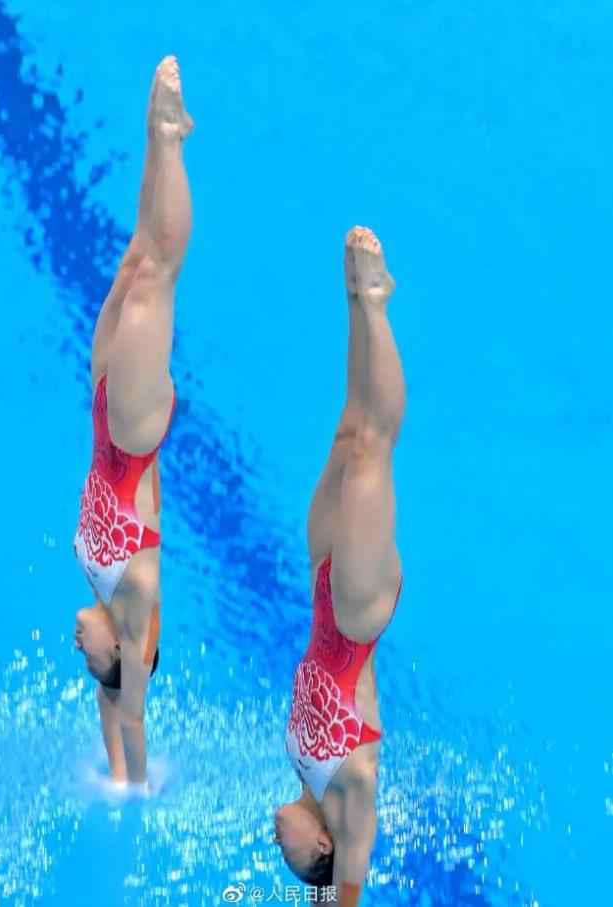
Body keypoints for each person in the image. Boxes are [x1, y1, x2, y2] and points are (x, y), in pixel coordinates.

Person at [73, 56, 193, 792]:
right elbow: (132, 708)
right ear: (120, 648)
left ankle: (160, 134)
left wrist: (111, 772)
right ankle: (173, 141)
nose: (74, 637)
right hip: (134, 432)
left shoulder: (98, 594)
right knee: (155, 275)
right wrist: (135, 784)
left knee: (130, 261)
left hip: (101, 414)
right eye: (87, 648)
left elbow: (110, 706)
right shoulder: (135, 594)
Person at [274, 227, 405, 905]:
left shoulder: (304, 772)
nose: (277, 844)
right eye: (290, 857)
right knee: (373, 450)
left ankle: (355, 302)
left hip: (323, 587)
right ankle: (379, 303)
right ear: (322, 846)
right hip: (356, 614)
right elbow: (340, 894)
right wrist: (336, 893)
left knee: (348, 431)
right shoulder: (348, 802)